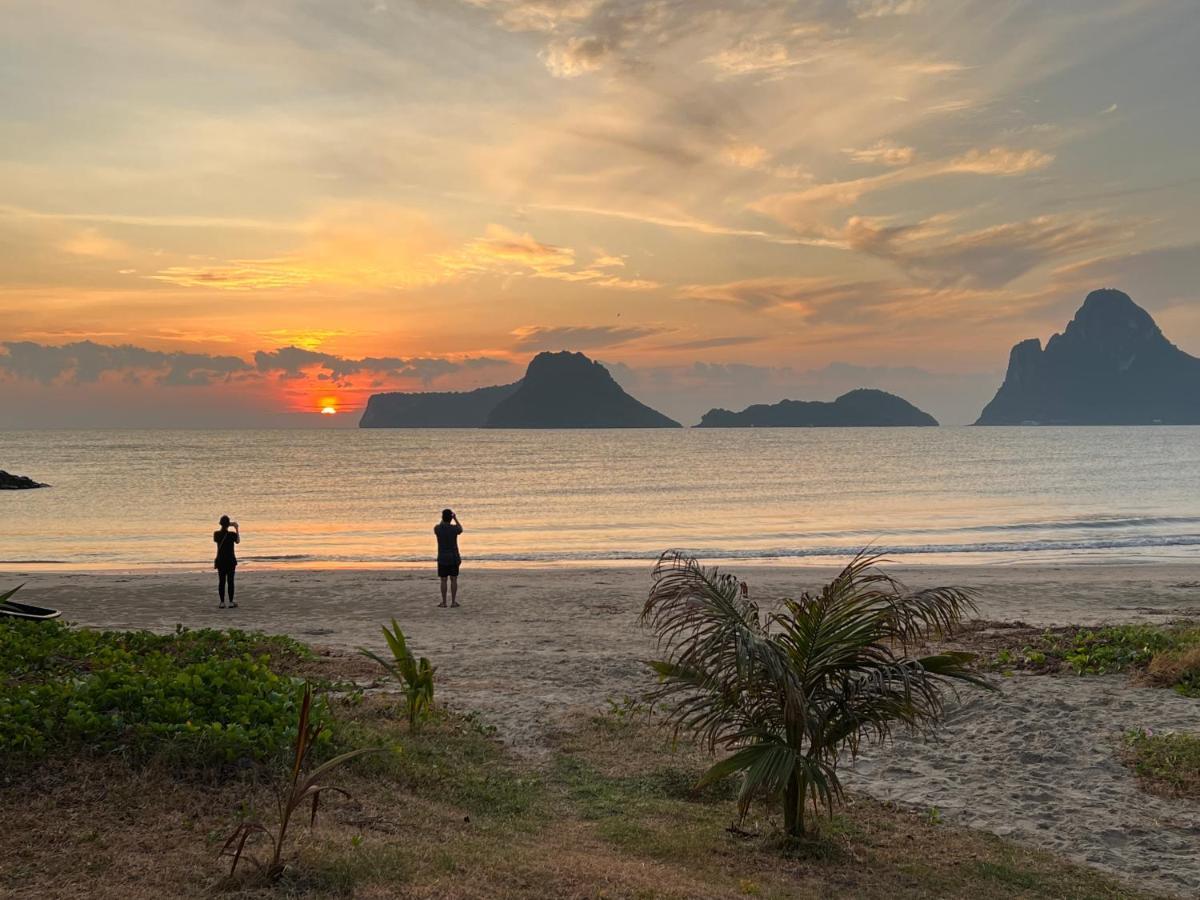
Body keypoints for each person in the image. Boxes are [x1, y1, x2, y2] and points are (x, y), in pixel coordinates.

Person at [434, 508, 463, 608]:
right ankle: (453, 602)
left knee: (443, 580)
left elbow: (439, 525)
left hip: (442, 557)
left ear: (442, 518)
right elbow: (461, 529)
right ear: (451, 518)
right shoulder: (454, 529)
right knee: (454, 579)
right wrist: (455, 518)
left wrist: (445, 519)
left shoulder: (437, 528)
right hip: (453, 556)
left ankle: (444, 602)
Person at [213, 515, 240, 608]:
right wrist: (236, 528)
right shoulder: (232, 535)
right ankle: (231, 602)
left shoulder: (216, 534)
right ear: (228, 524)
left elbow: (216, 540)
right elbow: (238, 541)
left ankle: (222, 602)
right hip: (231, 561)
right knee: (230, 581)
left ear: (220, 524)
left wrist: (228, 525)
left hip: (221, 561)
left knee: (221, 581)